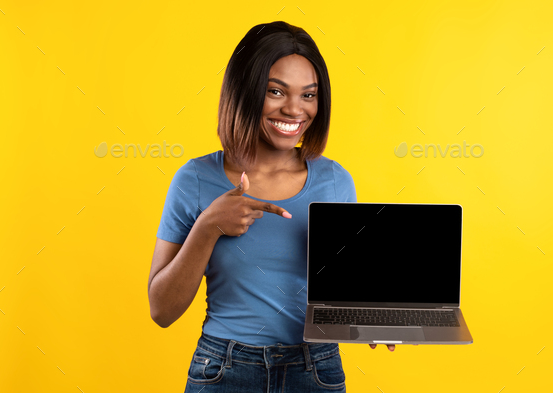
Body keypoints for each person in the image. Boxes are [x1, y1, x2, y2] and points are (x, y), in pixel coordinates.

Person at [148, 21, 394, 392]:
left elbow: (348, 287)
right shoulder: (196, 179)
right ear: (244, 91)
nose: (295, 110)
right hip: (223, 369)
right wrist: (208, 226)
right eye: (276, 91)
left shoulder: (335, 181)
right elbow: (161, 311)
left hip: (315, 367)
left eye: (308, 95)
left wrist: (370, 317)